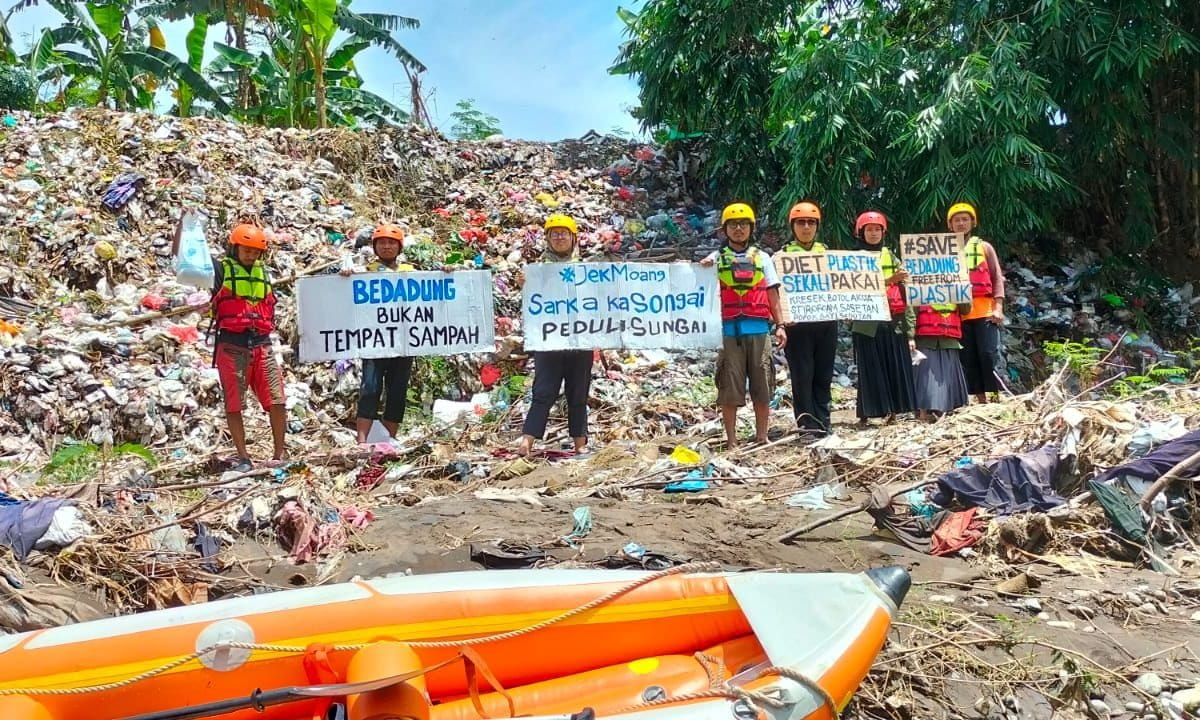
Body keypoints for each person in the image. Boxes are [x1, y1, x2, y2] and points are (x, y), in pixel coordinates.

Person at [700, 203, 786, 449]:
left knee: (763, 385)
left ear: (751, 228)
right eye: (733, 225)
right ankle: (732, 440)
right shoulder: (715, 259)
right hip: (728, 332)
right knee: (729, 387)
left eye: (743, 224)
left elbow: (773, 295)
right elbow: (699, 286)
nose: (738, 229)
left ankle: (762, 436)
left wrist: (780, 325)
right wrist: (702, 268)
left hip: (759, 330)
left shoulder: (763, 258)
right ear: (725, 229)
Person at [208, 223, 287, 470]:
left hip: (262, 344)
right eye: (246, 250)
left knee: (277, 400)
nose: (251, 255)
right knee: (234, 404)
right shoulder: (221, 270)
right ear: (235, 247)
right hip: (232, 344)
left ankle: (279, 454)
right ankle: (243, 457)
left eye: (255, 252)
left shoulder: (264, 273)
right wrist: (185, 227)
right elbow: (189, 255)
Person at [518, 214, 593, 457]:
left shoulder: (588, 269)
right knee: (543, 391)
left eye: (564, 233)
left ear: (573, 238)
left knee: (578, 392)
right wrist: (524, 284)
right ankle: (526, 442)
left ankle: (580, 445)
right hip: (549, 339)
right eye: (554, 234)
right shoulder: (538, 271)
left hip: (581, 339)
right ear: (547, 239)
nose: (559, 238)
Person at [340, 223, 417, 446]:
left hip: (404, 343)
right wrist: (345, 277)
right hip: (374, 342)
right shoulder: (364, 273)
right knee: (370, 389)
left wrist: (446, 273)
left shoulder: (410, 272)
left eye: (391, 243)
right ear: (374, 246)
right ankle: (362, 443)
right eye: (382, 243)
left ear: (399, 247)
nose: (386, 247)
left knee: (397, 391)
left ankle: (389, 441)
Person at [851, 211, 916, 424]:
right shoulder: (852, 259)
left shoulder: (892, 256)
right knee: (869, 367)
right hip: (866, 322)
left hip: (892, 320)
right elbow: (854, 287)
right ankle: (867, 413)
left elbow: (906, 292)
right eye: (869, 230)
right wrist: (889, 280)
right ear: (861, 232)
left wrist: (910, 331)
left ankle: (894, 412)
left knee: (892, 365)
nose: (873, 233)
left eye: (877, 229)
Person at [780, 201, 836, 437]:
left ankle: (824, 421)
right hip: (798, 326)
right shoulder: (782, 257)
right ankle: (806, 424)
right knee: (803, 375)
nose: (806, 227)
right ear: (793, 226)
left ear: (817, 226)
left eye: (811, 223)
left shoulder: (828, 254)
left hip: (826, 323)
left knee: (823, 374)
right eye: (801, 223)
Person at [946, 202, 1006, 404]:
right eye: (957, 220)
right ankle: (980, 400)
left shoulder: (984, 247)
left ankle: (995, 396)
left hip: (985, 311)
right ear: (950, 225)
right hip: (958, 315)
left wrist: (998, 308)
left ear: (972, 222)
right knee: (968, 358)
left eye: (965, 219)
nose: (961, 223)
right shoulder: (944, 251)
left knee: (988, 354)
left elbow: (997, 278)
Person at [908, 300, 972, 421]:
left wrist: (964, 292)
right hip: (925, 339)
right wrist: (910, 336)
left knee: (946, 377)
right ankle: (922, 412)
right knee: (924, 378)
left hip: (949, 340)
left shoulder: (955, 288)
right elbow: (911, 312)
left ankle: (944, 410)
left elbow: (966, 310)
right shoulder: (919, 288)